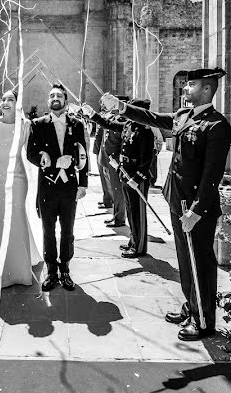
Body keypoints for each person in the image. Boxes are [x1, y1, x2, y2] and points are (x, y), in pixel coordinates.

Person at [103, 68, 231, 341]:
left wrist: (196, 211)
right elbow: (151, 117)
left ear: (207, 90)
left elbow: (212, 175)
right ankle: (191, 305)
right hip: (178, 200)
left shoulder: (217, 125)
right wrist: (121, 108)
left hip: (195, 209)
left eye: (191, 85)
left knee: (200, 263)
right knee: (185, 261)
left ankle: (204, 320)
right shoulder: (184, 116)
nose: (185, 90)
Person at [25, 83, 88, 291]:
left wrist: (83, 184)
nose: (55, 98)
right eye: (51, 95)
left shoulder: (77, 124)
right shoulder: (38, 124)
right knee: (48, 230)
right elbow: (30, 154)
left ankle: (65, 269)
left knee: (68, 230)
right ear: (48, 101)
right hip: (48, 186)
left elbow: (83, 156)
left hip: (70, 186)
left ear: (65, 101)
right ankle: (51, 270)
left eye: (59, 95)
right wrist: (50, 161)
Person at [0, 90, 41, 288]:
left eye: (10, 99)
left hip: (18, 178)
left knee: (17, 218)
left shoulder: (26, 125)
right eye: (3, 99)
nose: (5, 102)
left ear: (17, 103)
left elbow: (32, 152)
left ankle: (19, 271)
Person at [84, 98, 154, 257]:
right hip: (126, 173)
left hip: (137, 178)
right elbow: (108, 124)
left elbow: (147, 159)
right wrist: (93, 115)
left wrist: (137, 178)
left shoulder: (145, 131)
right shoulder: (129, 125)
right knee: (130, 210)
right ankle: (133, 240)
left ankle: (139, 247)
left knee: (138, 213)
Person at [95, 96, 126, 227]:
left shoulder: (121, 120)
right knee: (113, 189)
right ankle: (116, 214)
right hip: (108, 160)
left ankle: (120, 218)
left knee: (118, 191)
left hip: (115, 161)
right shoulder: (110, 118)